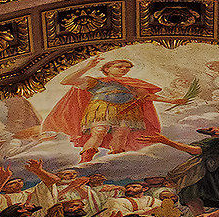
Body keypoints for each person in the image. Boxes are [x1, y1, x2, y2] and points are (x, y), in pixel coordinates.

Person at [43, 59, 174, 161]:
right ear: (107, 69)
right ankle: (85, 160)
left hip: (128, 110)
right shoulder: (97, 82)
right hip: (102, 108)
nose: (124, 69)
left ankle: (116, 160)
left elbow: (147, 96)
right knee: (99, 132)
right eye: (120, 66)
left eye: (127, 67)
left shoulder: (133, 83)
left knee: (121, 134)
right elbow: (67, 81)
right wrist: (87, 67)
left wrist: (172, 101)